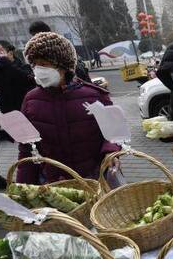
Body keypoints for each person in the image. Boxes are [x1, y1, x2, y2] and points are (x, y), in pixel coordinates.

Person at [17, 32, 120, 183]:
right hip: (53, 183)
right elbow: (26, 149)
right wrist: (22, 186)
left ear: (64, 66)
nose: (39, 70)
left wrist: (110, 152)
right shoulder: (31, 100)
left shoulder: (94, 96)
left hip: (94, 178)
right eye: (35, 64)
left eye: (44, 64)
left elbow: (114, 133)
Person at [0, 40, 36, 114]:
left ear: (10, 52)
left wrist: (6, 62)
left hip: (28, 110)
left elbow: (25, 79)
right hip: (9, 114)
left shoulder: (25, 67)